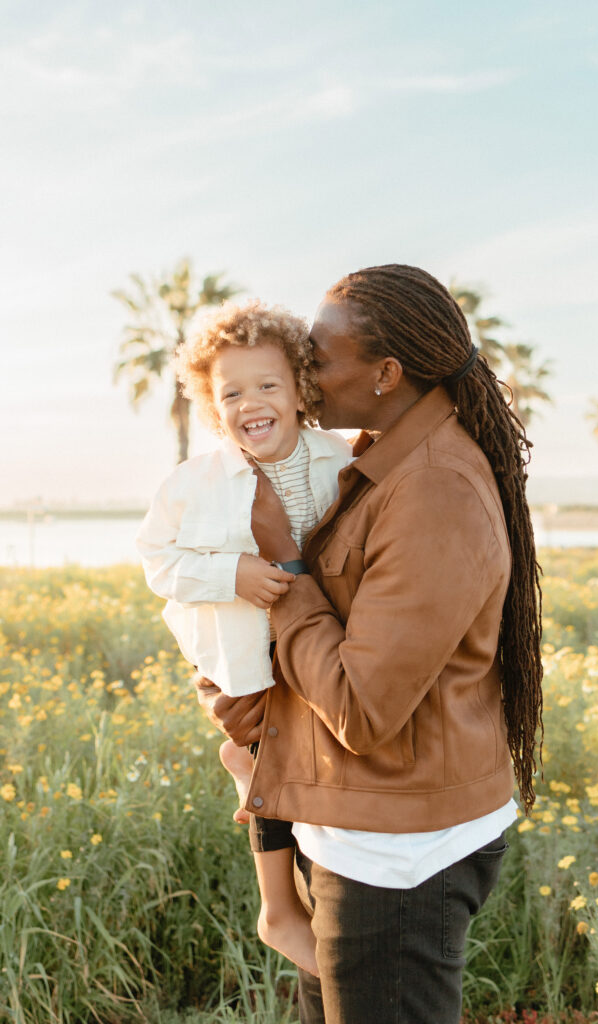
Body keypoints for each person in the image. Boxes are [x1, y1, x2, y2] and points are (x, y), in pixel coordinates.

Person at [194, 265, 544, 1024]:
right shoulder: (377, 463)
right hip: (361, 829)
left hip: (397, 858)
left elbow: (362, 704)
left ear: (386, 373)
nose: (302, 375)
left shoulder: (434, 490)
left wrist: (283, 569)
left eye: (318, 358)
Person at [136, 299, 351, 978]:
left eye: (268, 385)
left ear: (298, 390)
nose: (251, 403)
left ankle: (301, 894)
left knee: (306, 763)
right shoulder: (193, 482)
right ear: (209, 401)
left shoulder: (336, 459)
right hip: (237, 656)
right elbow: (156, 561)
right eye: (230, 392)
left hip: (315, 646)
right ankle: (279, 911)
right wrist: (230, 573)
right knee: (270, 758)